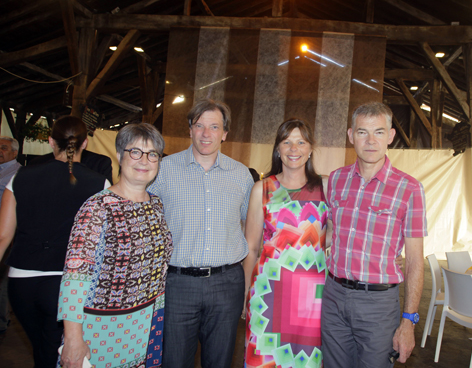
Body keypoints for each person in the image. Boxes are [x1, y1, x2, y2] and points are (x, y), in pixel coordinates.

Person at [148, 99, 254, 368]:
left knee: (219, 361)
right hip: (177, 283)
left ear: (225, 134)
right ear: (190, 129)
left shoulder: (241, 176)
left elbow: (253, 231)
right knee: (174, 360)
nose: (206, 134)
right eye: (200, 126)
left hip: (227, 283)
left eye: (214, 127)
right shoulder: (163, 171)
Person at [321, 102, 428, 368]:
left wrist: (408, 322)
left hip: (378, 305)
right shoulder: (336, 179)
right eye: (362, 132)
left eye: (379, 132)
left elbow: (415, 260)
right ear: (350, 136)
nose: (370, 141)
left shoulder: (410, 189)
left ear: (391, 136)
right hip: (333, 297)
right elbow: (329, 235)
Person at [58, 123, 172, 368]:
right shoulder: (97, 207)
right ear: (120, 155)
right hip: (101, 330)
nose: (144, 160)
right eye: (135, 152)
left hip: (146, 324)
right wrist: (73, 338)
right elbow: (75, 277)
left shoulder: (157, 206)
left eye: (152, 154)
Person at [0, 116, 109, 368]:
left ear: (50, 141)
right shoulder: (100, 184)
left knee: (42, 349)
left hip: (21, 282)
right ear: (84, 143)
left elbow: (4, 236)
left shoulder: (20, 177)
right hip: (69, 286)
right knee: (53, 350)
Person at [244, 119, 327, 368]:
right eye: (287, 142)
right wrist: (245, 292)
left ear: (310, 149)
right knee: (267, 359)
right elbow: (251, 247)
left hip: (313, 299)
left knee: (307, 361)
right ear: (278, 148)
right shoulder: (262, 189)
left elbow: (336, 235)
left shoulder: (324, 187)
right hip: (269, 293)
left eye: (301, 142)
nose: (294, 148)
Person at [0, 136, 20, 335]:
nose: (0, 151)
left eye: (4, 148)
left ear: (14, 152)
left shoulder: (18, 173)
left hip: (7, 231)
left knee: (3, 276)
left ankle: (1, 320)